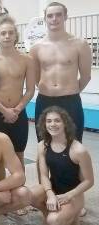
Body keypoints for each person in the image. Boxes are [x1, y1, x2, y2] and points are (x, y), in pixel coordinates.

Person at [30, 2, 92, 142]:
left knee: (74, 143)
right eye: (50, 16)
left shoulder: (80, 44)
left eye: (58, 15)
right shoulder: (36, 48)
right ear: (45, 19)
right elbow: (35, 77)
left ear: (65, 17)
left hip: (70, 101)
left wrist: (71, 91)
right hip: (45, 100)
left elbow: (86, 76)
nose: (54, 19)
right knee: (44, 143)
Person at [30, 106, 94, 225]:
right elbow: (44, 175)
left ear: (65, 123)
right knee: (29, 196)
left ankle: (69, 216)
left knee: (53, 220)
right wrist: (50, 194)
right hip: (54, 189)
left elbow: (89, 181)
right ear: (44, 124)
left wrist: (69, 195)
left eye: (57, 120)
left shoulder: (78, 150)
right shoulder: (42, 145)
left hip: (74, 195)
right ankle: (50, 214)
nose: (52, 124)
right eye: (49, 121)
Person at [0, 15, 35, 174]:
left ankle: (19, 191)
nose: (7, 36)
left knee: (18, 155)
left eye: (10, 33)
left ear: (16, 35)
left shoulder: (26, 60)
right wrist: (4, 110)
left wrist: (16, 110)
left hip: (19, 114)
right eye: (3, 33)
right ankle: (1, 193)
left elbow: (30, 90)